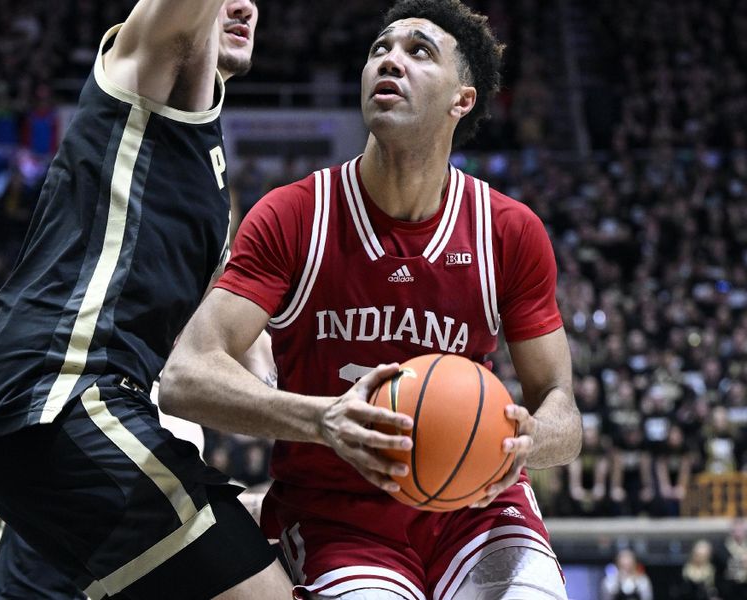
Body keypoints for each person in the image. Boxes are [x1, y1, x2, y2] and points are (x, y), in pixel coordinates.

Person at [160, 0, 582, 598]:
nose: (390, 61)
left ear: (462, 99)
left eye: (418, 52)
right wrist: (322, 419)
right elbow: (186, 375)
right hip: (339, 518)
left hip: (477, 508)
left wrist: (533, 441)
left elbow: (561, 406)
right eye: (380, 49)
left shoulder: (507, 231)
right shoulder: (294, 214)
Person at [0, 1, 291, 598]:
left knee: (282, 541)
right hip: (60, 393)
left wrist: (308, 414)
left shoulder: (206, 178)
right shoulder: (145, 70)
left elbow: (248, 344)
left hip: (65, 418)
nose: (244, 5)